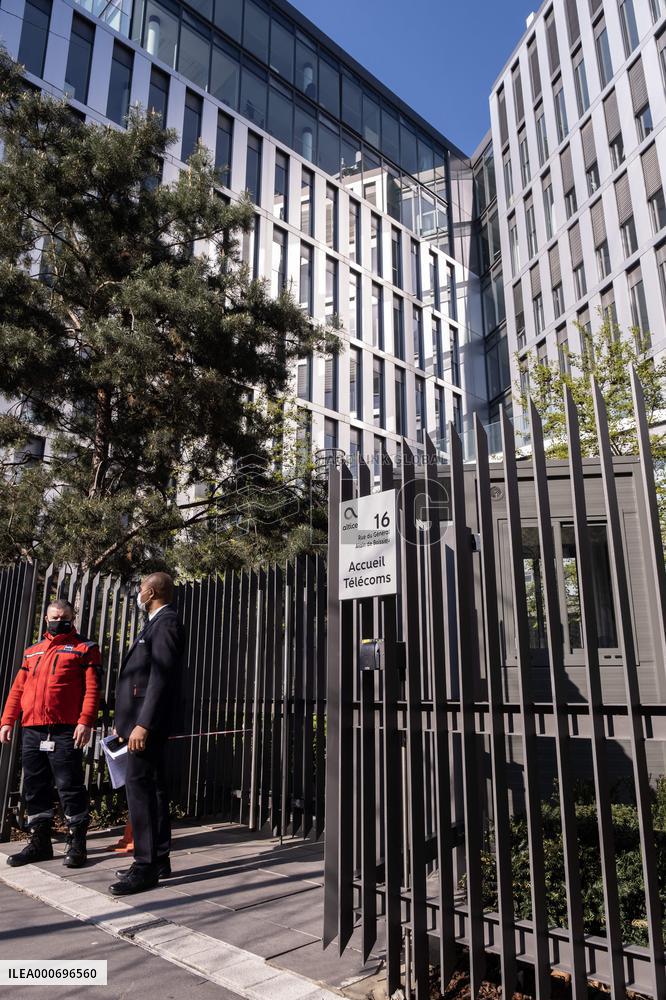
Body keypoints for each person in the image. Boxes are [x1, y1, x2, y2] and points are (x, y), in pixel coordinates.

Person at [0, 599, 101, 868]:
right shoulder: (32, 651)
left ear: (72, 618)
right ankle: (40, 843)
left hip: (65, 730)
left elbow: (92, 689)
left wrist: (86, 721)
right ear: (46, 619)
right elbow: (18, 689)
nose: (59, 621)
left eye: (64, 617)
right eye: (54, 617)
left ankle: (77, 843)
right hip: (33, 729)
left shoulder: (86, 648)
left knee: (70, 786)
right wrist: (7, 720)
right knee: (34, 787)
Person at [110, 572, 184, 896]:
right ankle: (158, 858)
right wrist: (124, 721)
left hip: (146, 726)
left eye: (141, 587)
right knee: (153, 789)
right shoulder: (156, 622)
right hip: (137, 723)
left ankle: (144, 866)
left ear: (151, 591)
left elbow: (161, 678)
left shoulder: (166, 623)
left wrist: (143, 724)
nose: (138, 592)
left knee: (140, 791)